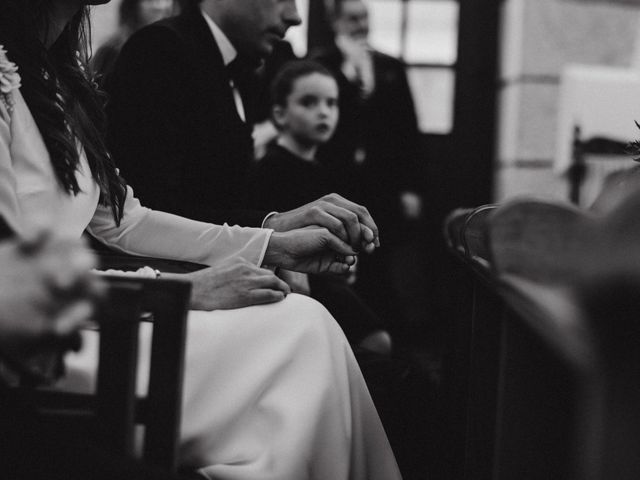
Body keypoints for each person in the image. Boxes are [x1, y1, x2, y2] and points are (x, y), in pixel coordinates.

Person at [0, 2, 402, 480]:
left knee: (304, 320)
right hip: (48, 344)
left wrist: (270, 243)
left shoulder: (56, 79)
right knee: (298, 335)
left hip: (95, 310)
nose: (293, 14)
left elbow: (127, 221)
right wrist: (180, 293)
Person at [249, 59, 391, 355]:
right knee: (376, 343)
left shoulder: (325, 169)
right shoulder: (269, 169)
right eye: (308, 102)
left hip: (331, 276)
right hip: (298, 280)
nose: (323, 112)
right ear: (280, 113)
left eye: (331, 103)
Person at [312, 0, 428, 330]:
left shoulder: (390, 66)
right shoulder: (321, 65)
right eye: (352, 18)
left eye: (365, 17)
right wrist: (348, 78)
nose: (361, 25)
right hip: (334, 181)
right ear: (335, 22)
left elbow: (408, 130)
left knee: (382, 263)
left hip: (383, 184)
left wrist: (412, 187)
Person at [91, 0, 178, 88]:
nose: (159, 6)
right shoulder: (112, 49)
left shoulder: (172, 48)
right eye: (150, 0)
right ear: (133, 5)